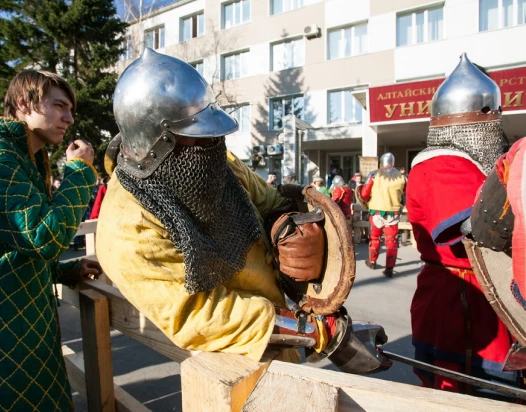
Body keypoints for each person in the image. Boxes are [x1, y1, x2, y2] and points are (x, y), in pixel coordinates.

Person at [96, 49, 388, 370]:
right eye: (196, 135)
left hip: (283, 339)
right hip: (230, 364)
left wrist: (288, 229)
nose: (213, 143)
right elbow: (196, 317)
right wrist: (318, 332)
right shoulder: (126, 226)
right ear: (160, 141)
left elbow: (271, 203)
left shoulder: (216, 164)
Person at [0, 70, 103, 411]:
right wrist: (80, 172)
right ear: (24, 104)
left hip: (11, 325)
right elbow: (44, 236)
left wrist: (63, 271)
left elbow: (5, 244)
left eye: (71, 109)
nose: (69, 118)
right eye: (59, 106)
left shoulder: (18, 155)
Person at [407, 54, 518, 398]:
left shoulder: (476, 163)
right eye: (489, 117)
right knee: (461, 398)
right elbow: (481, 229)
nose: (495, 124)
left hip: (486, 301)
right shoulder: (440, 165)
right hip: (459, 305)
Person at [359, 153, 406, 278]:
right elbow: (405, 196)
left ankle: (372, 261)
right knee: (391, 240)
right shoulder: (402, 177)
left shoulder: (374, 175)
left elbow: (364, 194)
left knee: (375, 238)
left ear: (381, 163)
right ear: (393, 162)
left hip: (376, 213)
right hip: (394, 213)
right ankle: (389, 268)